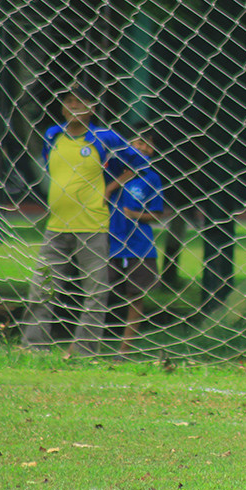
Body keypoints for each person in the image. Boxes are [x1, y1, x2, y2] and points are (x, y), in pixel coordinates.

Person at [22, 83, 149, 356]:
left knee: (95, 293)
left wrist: (110, 188)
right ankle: (33, 347)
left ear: (92, 108)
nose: (74, 106)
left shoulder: (104, 138)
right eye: (69, 101)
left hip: (92, 227)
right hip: (56, 226)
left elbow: (139, 163)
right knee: (42, 288)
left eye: (80, 102)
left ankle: (82, 351)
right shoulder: (53, 135)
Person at [106, 131, 164, 359]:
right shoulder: (111, 169)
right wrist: (118, 182)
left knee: (135, 296)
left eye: (148, 145)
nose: (142, 148)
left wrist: (135, 215)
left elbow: (157, 214)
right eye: (138, 142)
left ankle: (125, 349)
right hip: (108, 243)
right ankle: (86, 343)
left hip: (139, 247)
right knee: (99, 293)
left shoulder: (152, 178)